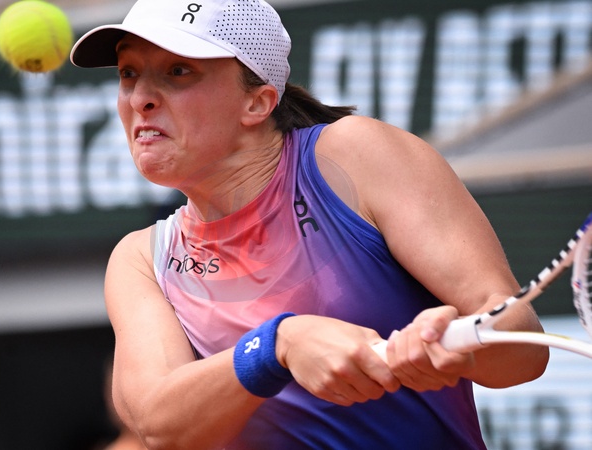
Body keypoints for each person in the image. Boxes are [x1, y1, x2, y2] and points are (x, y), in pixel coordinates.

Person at [70, 0, 549, 448]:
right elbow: (158, 426)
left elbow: (522, 345)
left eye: (178, 71)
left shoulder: (356, 155)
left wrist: (455, 346)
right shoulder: (141, 259)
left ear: (257, 102)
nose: (140, 98)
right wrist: (278, 345)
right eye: (129, 73)